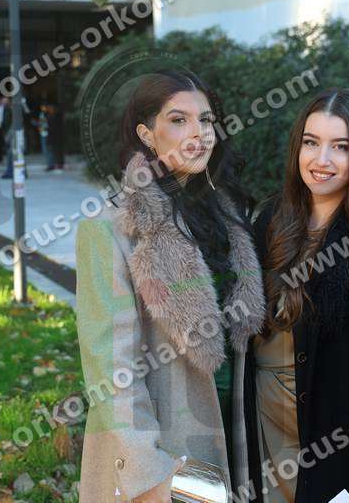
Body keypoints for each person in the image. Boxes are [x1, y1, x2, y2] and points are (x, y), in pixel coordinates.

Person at [75, 69, 265, 503]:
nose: (199, 134)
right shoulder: (108, 227)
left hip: (233, 432)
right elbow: (110, 368)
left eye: (206, 120)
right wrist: (151, 473)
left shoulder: (227, 215)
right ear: (146, 134)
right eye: (179, 120)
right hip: (161, 449)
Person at [246, 88, 349, 502]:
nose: (321, 160)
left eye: (341, 147)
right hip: (262, 423)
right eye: (311, 143)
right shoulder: (271, 220)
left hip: (332, 439)